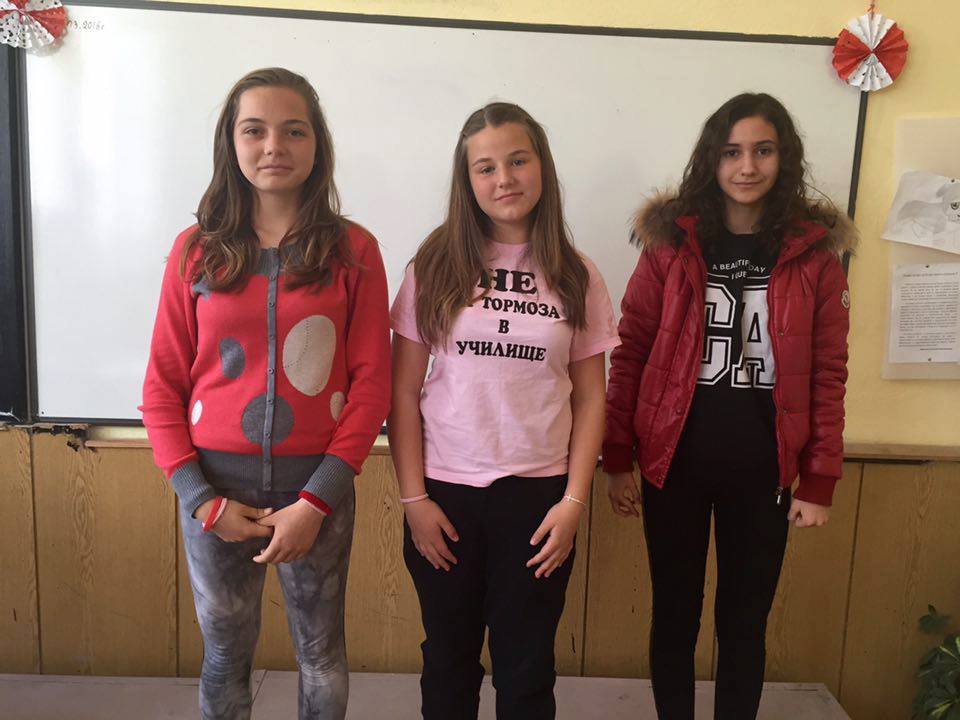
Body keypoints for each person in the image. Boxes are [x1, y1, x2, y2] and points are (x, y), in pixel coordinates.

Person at [141, 67, 390, 720]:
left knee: (321, 653)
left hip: (317, 490)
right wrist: (201, 501)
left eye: (293, 130)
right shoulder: (195, 251)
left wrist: (316, 501)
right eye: (255, 130)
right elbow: (162, 387)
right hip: (214, 490)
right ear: (232, 142)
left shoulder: (354, 251)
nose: (274, 145)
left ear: (316, 145)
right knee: (225, 652)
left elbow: (372, 387)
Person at [602, 93, 855, 720]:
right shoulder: (670, 246)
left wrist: (818, 478)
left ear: (784, 158)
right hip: (673, 465)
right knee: (675, 615)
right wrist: (617, 456)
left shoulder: (815, 256)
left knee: (745, 622)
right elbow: (631, 351)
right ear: (711, 160)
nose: (747, 166)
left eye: (763, 151)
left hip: (764, 470)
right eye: (732, 152)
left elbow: (827, 374)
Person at [388, 102, 619, 720]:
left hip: (539, 498)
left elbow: (592, 397)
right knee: (448, 662)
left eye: (518, 160)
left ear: (542, 166)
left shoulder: (577, 274)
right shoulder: (434, 266)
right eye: (485, 167)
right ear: (467, 181)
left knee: (527, 668)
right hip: (445, 495)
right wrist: (414, 501)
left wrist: (573, 502)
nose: (504, 179)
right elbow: (402, 392)